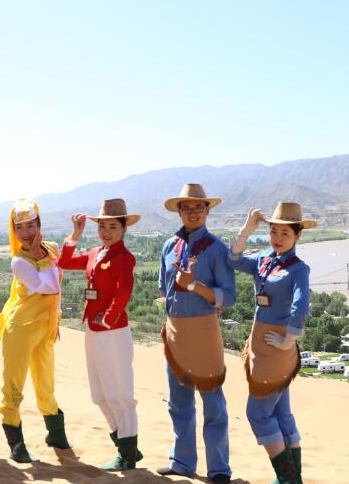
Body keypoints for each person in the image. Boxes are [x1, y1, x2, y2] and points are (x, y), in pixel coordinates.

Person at [156, 183, 236, 484]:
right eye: (186, 208)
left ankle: (219, 470)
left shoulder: (216, 249)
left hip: (204, 331)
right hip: (175, 330)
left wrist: (195, 286)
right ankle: (182, 463)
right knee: (178, 402)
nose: (192, 213)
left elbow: (228, 296)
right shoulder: (168, 246)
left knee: (213, 402)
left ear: (207, 210)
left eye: (198, 207)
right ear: (179, 211)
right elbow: (164, 288)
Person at [229, 202, 314, 484]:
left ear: (297, 235)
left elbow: (301, 305)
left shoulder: (299, 269)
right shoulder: (264, 259)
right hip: (261, 342)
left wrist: (289, 338)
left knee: (257, 413)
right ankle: (294, 478)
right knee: (281, 412)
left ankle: (285, 477)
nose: (277, 238)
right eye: (273, 231)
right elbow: (233, 259)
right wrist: (248, 228)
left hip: (276, 348)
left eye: (285, 233)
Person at [58, 198, 142, 470]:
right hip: (92, 330)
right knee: (100, 394)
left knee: (120, 394)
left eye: (113, 227)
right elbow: (64, 262)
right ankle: (126, 446)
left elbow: (124, 291)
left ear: (124, 229)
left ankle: (127, 455)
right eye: (102, 226)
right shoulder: (95, 253)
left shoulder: (124, 258)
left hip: (113, 332)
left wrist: (108, 318)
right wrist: (76, 234)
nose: (106, 232)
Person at [0, 199, 71, 463]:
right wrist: (42, 259)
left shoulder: (53, 248)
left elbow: (58, 286)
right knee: (14, 385)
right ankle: (16, 443)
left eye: (30, 225)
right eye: (19, 227)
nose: (25, 233)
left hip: (45, 329)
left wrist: (56, 318)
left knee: (46, 383)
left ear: (39, 224)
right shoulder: (19, 262)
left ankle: (56, 435)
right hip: (21, 330)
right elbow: (49, 287)